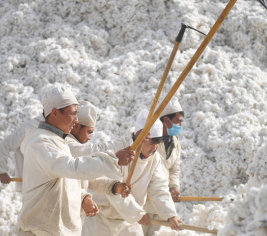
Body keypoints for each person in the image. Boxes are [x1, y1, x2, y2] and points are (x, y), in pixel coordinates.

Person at [17, 86, 133, 236]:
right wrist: (114, 160)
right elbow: (73, 168)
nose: (76, 120)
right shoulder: (41, 143)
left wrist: (112, 186)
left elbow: (69, 181)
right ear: (55, 113)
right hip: (40, 231)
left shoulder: (59, 142)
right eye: (73, 114)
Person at [82, 109, 184, 236]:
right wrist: (138, 214)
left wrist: (170, 215)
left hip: (129, 221)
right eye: (152, 142)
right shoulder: (119, 152)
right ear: (141, 138)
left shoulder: (154, 158)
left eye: (158, 143)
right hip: (101, 219)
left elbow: (159, 188)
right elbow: (114, 191)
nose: (155, 148)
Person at [142, 97, 184, 236]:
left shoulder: (175, 142)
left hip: (162, 204)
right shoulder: (148, 140)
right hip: (144, 202)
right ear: (166, 120)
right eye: (178, 122)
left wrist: (174, 187)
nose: (180, 126)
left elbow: (174, 168)